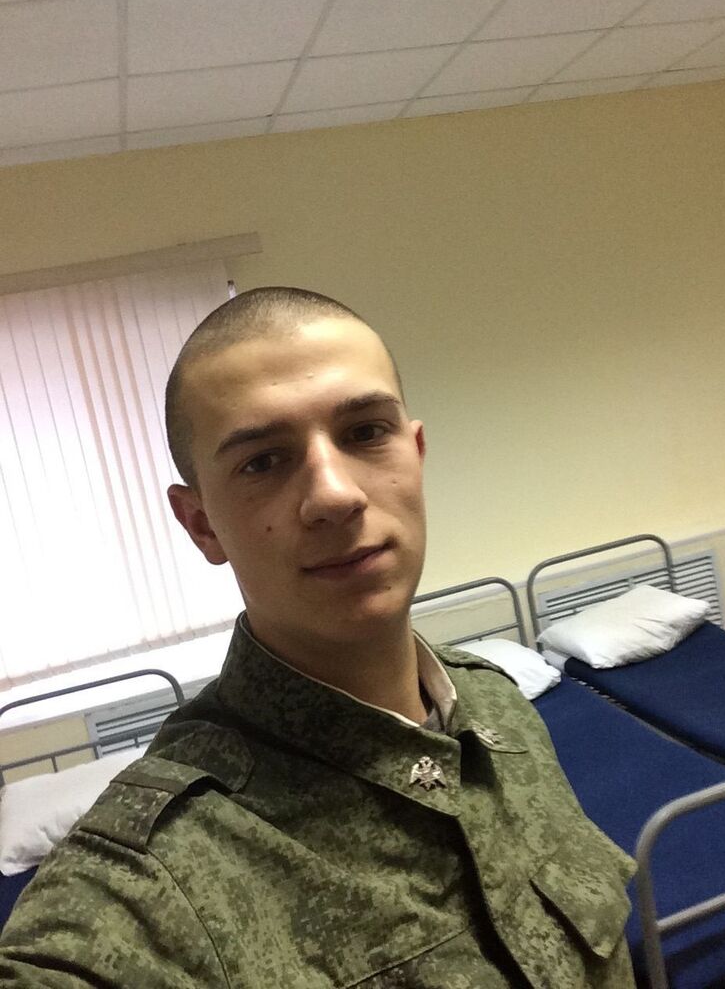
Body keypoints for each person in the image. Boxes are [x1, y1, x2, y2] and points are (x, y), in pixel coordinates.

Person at [0, 287, 636, 988]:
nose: (334, 494)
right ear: (202, 525)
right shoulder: (149, 884)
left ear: (416, 454)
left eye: (365, 432)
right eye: (262, 461)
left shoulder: (499, 708)